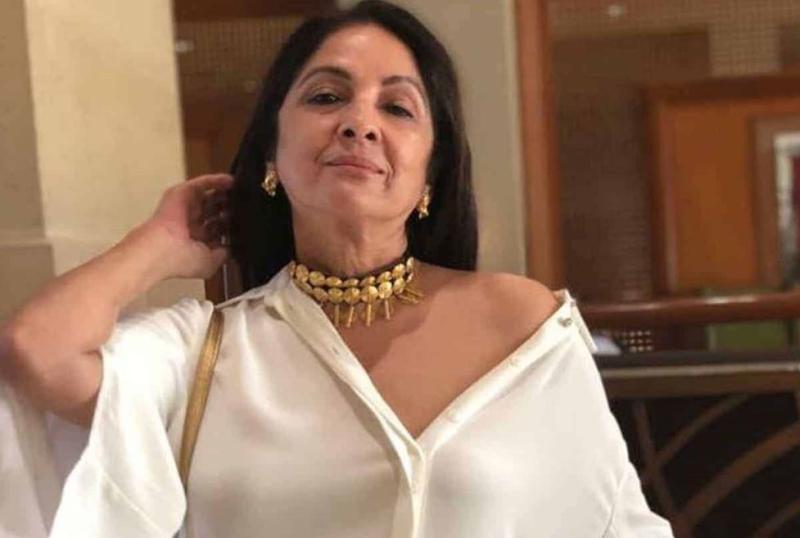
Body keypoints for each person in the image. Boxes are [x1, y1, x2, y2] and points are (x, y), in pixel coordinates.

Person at [0, 1, 673, 536]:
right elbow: (37, 349)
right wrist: (160, 241)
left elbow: (615, 523)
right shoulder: (204, 352)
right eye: (326, 98)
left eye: (397, 107)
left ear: (430, 174)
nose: (359, 122)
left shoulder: (523, 326)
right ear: (272, 151)